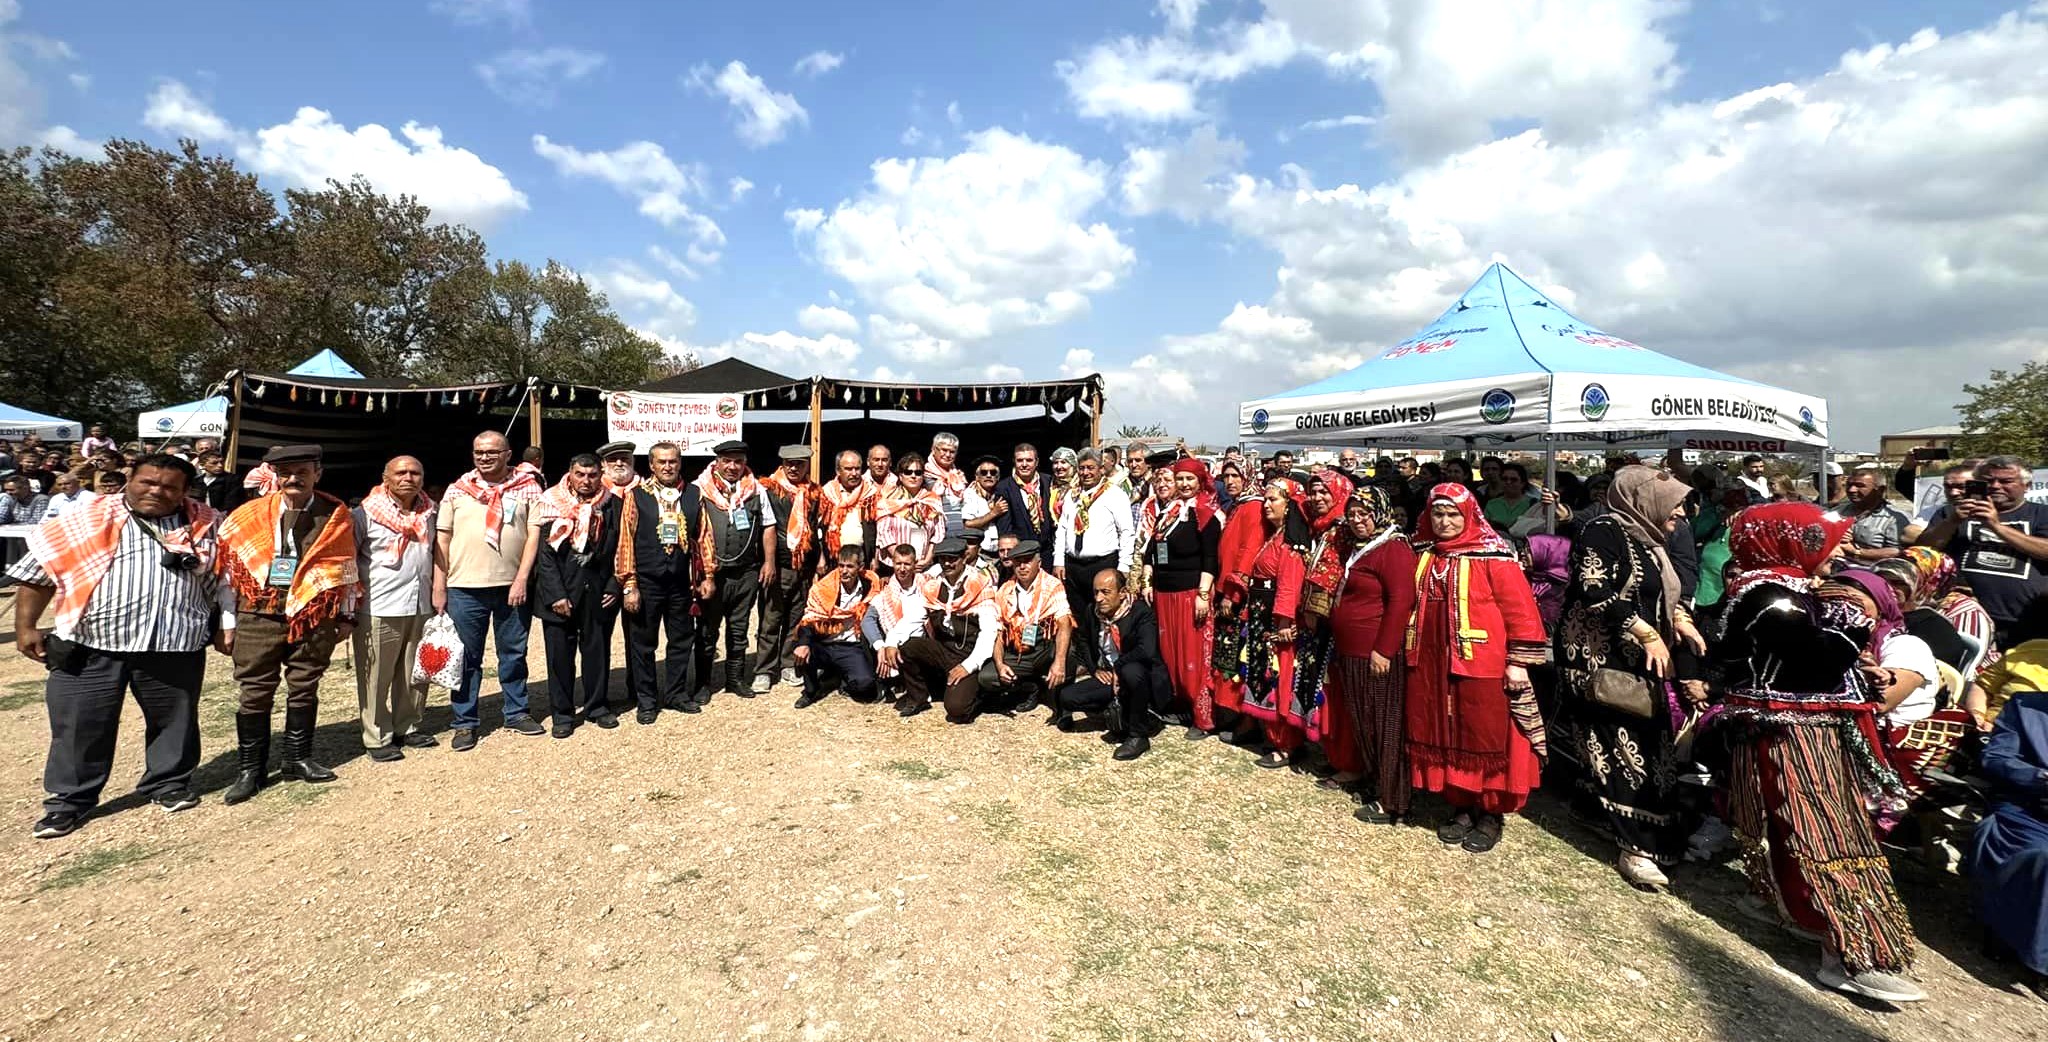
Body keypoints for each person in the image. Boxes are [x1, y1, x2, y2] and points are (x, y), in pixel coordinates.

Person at [1713, 502, 1926, 1004]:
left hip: (1796, 731)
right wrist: (1853, 624)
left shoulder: (1778, 591)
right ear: (1788, 542)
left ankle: (1793, 911)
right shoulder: (1771, 596)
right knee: (1824, 833)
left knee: (1796, 828)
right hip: (1794, 737)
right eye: (1825, 542)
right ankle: (1850, 954)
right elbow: (1818, 660)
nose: (1841, 552)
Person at [10, 455, 222, 838]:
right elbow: (39, 573)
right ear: (130, 480)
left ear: (183, 491)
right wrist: (25, 626)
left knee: (174, 720)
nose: (156, 491)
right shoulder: (84, 519)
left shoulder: (206, 525)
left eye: (169, 487)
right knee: (80, 724)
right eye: (147, 482)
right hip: (92, 643)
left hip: (173, 642)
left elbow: (226, 580)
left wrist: (226, 625)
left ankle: (168, 783)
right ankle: (68, 802)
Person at [1553, 466, 1704, 886]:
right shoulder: (1605, 529)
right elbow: (1594, 589)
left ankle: (1610, 818)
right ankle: (1634, 848)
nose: (1680, 514)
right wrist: (1648, 633)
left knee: (1645, 743)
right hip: (1598, 661)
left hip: (1637, 660)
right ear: (1643, 500)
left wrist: (1679, 618)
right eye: (1674, 504)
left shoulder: (1651, 539)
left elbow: (1657, 590)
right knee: (1621, 745)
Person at [1406, 483, 1548, 854]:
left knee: (1484, 736)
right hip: (1431, 662)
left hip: (1482, 663)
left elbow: (1521, 614)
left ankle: (1490, 813)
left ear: (1469, 515)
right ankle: (1461, 806)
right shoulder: (1424, 553)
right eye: (1438, 514)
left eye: (1453, 514)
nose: (1445, 521)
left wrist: (1517, 662)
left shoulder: (1493, 557)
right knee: (1446, 730)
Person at [216, 445, 358, 803]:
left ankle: (298, 758)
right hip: (258, 612)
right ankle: (252, 769)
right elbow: (229, 573)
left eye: (302, 472)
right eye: (286, 473)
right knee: (255, 689)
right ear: (276, 477)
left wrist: (346, 613)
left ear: (317, 474)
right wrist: (228, 620)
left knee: (305, 683)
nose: (293, 478)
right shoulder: (247, 515)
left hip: (313, 613)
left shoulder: (337, 515)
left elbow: (345, 569)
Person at [435, 431, 546, 750]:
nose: (485, 457)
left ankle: (516, 711)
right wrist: (439, 586)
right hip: (464, 588)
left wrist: (522, 578)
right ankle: (465, 722)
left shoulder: (528, 488)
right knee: (466, 658)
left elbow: (532, 537)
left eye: (492, 452)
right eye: (479, 452)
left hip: (512, 588)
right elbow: (442, 540)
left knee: (513, 654)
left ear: (508, 454)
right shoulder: (457, 490)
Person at [1318, 486, 1418, 824]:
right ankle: (1377, 783)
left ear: (1381, 512)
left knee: (1384, 726)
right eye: (1353, 513)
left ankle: (1394, 802)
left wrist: (1384, 649)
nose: (1358, 520)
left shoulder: (1393, 548)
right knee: (1365, 723)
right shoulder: (1361, 547)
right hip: (1352, 651)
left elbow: (1401, 600)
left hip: (1375, 653)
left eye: (1365, 513)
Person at [1212, 478, 1323, 769]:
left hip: (1278, 623)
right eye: (1265, 499)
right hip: (1263, 616)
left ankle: (1285, 745)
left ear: (1289, 506)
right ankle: (1272, 736)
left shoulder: (1291, 544)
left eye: (1273, 499)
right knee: (1265, 675)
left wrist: (1284, 621)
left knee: (1281, 677)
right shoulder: (1275, 537)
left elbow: (1289, 584)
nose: (1266, 505)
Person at [350, 456, 438, 762]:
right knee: (376, 675)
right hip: (379, 605)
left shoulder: (430, 512)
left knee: (415, 672)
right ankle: (377, 736)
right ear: (386, 477)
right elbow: (349, 559)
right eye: (401, 472)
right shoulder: (364, 514)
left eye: (415, 472)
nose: (408, 478)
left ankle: (409, 726)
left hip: (420, 602)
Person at [531, 453, 623, 738]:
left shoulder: (612, 504)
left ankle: (597, 705)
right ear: (570, 473)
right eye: (580, 475)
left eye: (592, 475)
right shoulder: (551, 502)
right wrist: (556, 595)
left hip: (597, 591)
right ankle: (562, 713)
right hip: (560, 593)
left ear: (601, 474)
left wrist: (613, 585)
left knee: (597, 651)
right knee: (559, 656)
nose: (586, 481)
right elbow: (544, 556)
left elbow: (622, 547)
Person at [1916, 456, 2048, 648]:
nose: (1995, 486)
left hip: (2024, 620)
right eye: (1988, 481)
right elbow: (1924, 551)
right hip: (1964, 616)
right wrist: (1952, 522)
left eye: (2005, 481)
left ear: (2026, 486)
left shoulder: (2041, 514)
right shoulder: (1951, 513)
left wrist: (1996, 526)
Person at [615, 441, 701, 723]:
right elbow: (626, 540)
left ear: (680, 463)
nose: (668, 467)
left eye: (673, 461)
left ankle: (676, 693)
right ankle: (647, 701)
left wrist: (707, 575)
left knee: (680, 641)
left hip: (680, 583)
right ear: (651, 465)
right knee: (643, 644)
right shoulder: (636, 495)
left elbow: (704, 539)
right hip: (647, 582)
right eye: (661, 462)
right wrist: (629, 584)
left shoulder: (693, 494)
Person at [1970, 692, 2048, 1000]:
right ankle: (2041, 965)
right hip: (2028, 812)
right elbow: (1996, 758)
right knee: (2043, 857)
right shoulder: (2026, 707)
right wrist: (2040, 776)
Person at [690, 440, 778, 701]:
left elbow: (769, 526)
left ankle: (735, 679)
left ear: (744, 463)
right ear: (717, 462)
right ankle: (703, 683)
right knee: (707, 630)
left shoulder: (756, 490)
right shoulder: (699, 490)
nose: (732, 466)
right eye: (726, 460)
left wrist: (769, 561)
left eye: (737, 461)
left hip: (746, 572)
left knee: (738, 630)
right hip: (712, 573)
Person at [1056, 568, 1170, 759]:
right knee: (1068, 697)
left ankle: (1138, 735)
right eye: (1096, 592)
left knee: (1131, 671)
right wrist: (1095, 669)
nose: (1099, 598)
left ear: (1122, 592)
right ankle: (1125, 711)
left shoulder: (1140, 612)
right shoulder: (1093, 612)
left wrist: (1119, 666)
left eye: (1105, 592)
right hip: (1111, 676)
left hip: (1140, 677)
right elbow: (1083, 639)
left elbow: (1146, 650)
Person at [1146, 458, 1224, 737]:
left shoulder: (1206, 513)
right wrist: (1147, 579)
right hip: (1165, 593)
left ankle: (1204, 718)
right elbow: (1152, 551)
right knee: (1172, 655)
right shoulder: (1168, 512)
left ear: (1200, 481)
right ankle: (1180, 706)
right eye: (1180, 479)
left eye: (1190, 479)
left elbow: (1210, 557)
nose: (1184, 485)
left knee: (1194, 657)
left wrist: (1204, 594)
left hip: (1191, 593)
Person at [882, 537, 997, 722]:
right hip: (945, 650)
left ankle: (979, 695)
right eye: (943, 559)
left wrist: (967, 666)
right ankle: (918, 698)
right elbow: (914, 617)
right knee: (908, 647)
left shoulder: (979, 584)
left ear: (964, 558)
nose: (947, 563)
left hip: (970, 654)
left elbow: (989, 633)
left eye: (953, 559)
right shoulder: (934, 585)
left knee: (956, 710)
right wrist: (891, 641)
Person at [755, 444, 820, 693]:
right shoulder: (769, 489)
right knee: (771, 619)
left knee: (795, 618)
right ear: (782, 464)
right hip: (778, 565)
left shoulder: (814, 493)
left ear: (806, 466)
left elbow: (818, 527)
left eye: (800, 464)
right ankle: (763, 669)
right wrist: (767, 561)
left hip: (803, 566)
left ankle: (788, 664)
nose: (794, 468)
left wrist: (818, 559)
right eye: (789, 464)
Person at [1054, 448, 1135, 649]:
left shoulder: (1114, 494)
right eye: (1082, 468)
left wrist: (1124, 566)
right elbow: (1062, 529)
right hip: (1074, 566)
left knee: (1104, 613)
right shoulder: (1072, 496)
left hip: (1103, 564)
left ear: (1101, 469)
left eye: (1091, 468)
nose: (1086, 473)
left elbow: (1126, 531)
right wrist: (1059, 560)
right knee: (1079, 615)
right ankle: (1085, 659)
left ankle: (1106, 657)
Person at [982, 539, 1072, 712]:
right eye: (1018, 562)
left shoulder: (1053, 584)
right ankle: (1029, 688)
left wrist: (1059, 662)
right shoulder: (1005, 590)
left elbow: (1064, 622)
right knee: (987, 678)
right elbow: (998, 632)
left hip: (1043, 646)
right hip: (1018, 652)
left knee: (1067, 653)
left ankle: (1056, 692)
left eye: (1027, 561)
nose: (1022, 567)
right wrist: (1000, 665)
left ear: (1039, 562)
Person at [794, 545, 879, 708]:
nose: (844, 571)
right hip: (824, 644)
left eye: (850, 566)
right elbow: (810, 618)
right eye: (841, 565)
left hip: (851, 647)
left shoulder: (871, 585)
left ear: (860, 567)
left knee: (865, 687)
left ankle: (840, 677)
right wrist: (803, 643)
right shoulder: (823, 588)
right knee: (803, 650)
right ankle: (811, 691)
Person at [863, 543, 923, 697]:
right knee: (867, 636)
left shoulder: (926, 585)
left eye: (907, 564)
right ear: (892, 563)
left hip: (920, 643)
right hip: (893, 644)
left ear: (914, 564)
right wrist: (881, 647)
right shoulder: (886, 590)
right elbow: (867, 620)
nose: (902, 569)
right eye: (898, 564)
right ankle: (883, 682)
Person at [873, 451, 946, 570]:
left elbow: (938, 534)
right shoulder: (888, 501)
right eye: (908, 472)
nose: (913, 476)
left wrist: (927, 560)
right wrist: (904, 562)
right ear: (900, 476)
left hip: (924, 566)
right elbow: (884, 534)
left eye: (918, 473)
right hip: (896, 566)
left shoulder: (932, 501)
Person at [994, 443, 1057, 566]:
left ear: (1036, 462)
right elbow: (1005, 528)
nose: (1024, 465)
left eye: (1029, 460)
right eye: (1020, 460)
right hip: (1021, 555)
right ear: (1014, 462)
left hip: (1047, 552)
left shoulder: (1048, 481)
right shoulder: (1004, 487)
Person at [1836, 467, 1911, 564]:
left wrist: (1856, 551)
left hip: (1874, 572)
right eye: (1849, 485)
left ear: (1880, 490)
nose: (1851, 490)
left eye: (1860, 485)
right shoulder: (1837, 512)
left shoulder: (1896, 519)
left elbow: (1898, 552)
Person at [819, 449, 877, 567]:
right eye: (848, 469)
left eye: (857, 468)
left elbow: (879, 529)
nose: (854, 473)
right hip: (833, 560)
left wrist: (875, 557)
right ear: (838, 471)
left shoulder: (871, 494)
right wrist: (821, 557)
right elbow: (818, 530)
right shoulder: (826, 494)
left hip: (862, 560)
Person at [926, 432, 970, 540]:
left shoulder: (959, 478)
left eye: (952, 452)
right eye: (944, 450)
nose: (948, 455)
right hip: (936, 537)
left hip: (959, 537)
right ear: (933, 449)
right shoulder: (922, 477)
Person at [960, 455, 1006, 553]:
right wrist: (993, 513)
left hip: (1001, 552)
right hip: (981, 552)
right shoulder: (970, 494)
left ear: (998, 477)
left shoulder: (1002, 493)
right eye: (984, 472)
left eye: (993, 473)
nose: (988, 475)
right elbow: (968, 524)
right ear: (977, 476)